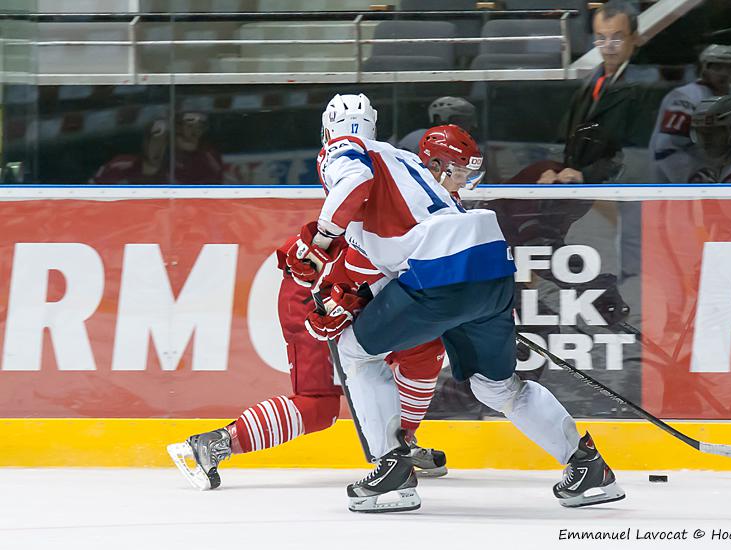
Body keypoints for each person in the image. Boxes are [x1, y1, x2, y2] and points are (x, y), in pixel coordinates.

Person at [290, 93, 624, 513]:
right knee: (496, 386)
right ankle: (588, 466)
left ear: (327, 129)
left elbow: (354, 184)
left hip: (441, 274)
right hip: (491, 268)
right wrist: (358, 294)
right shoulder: (407, 163)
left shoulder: (345, 149)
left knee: (354, 351)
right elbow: (393, 254)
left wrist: (320, 240)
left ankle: (392, 471)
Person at [165, 124, 487, 493]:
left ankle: (400, 445)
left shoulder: (438, 203)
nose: (464, 181)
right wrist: (341, 299)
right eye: (459, 171)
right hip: (314, 294)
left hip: (358, 294)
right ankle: (215, 444)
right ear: (432, 166)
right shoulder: (394, 190)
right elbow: (348, 257)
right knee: (317, 407)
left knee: (424, 349)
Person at [543, 0, 648, 185]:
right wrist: (553, 170)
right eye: (601, 37)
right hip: (580, 193)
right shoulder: (588, 84)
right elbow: (563, 140)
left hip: (619, 192)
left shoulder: (645, 86)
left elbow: (638, 153)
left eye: (617, 37)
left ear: (635, 38)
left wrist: (587, 176)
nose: (608, 46)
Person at [649, 44, 731, 183]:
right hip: (673, 174)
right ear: (703, 69)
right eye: (717, 67)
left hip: (709, 168)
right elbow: (666, 148)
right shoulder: (685, 97)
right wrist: (693, 177)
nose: (724, 73)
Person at [90, 119, 169, 184]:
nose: (159, 148)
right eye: (155, 142)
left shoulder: (172, 176)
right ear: (145, 143)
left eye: (164, 142)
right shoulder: (119, 167)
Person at [397, 96, 478, 154]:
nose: (471, 126)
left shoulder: (452, 143)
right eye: (464, 120)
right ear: (440, 120)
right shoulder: (421, 141)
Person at [173, 111, 224, 184]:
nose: (194, 132)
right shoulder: (171, 150)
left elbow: (217, 177)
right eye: (189, 126)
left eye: (199, 127)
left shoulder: (209, 154)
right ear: (180, 127)